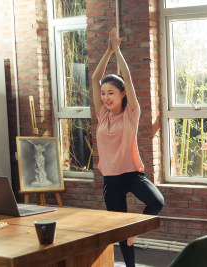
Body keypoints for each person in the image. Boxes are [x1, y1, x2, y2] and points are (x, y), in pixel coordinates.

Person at [91, 27, 164, 267]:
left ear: (122, 94)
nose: (105, 97)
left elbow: (129, 79)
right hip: (111, 180)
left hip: (132, 174)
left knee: (157, 202)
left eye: (110, 93)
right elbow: (94, 78)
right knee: (120, 233)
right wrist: (108, 51)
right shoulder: (102, 115)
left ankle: (135, 231)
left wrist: (118, 50)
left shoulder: (131, 114)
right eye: (103, 93)